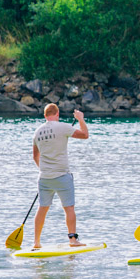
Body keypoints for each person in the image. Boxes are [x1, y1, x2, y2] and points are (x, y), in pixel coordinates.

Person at [32, 104, 89, 249]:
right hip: (62, 175)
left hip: (44, 177)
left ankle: (36, 242)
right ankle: (72, 240)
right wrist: (80, 119)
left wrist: (45, 169)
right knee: (69, 208)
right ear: (57, 114)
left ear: (45, 116)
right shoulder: (63, 127)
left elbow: (35, 156)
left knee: (42, 208)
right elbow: (85, 135)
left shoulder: (37, 132)